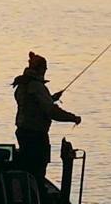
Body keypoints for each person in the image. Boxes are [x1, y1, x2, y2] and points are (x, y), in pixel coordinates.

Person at [11, 51, 81, 179]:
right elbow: (52, 112)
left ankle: (30, 187)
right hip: (36, 135)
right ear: (41, 69)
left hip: (23, 132)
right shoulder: (37, 86)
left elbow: (31, 104)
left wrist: (51, 98)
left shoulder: (22, 84)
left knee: (27, 166)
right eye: (45, 69)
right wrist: (73, 118)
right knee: (37, 169)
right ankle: (37, 189)